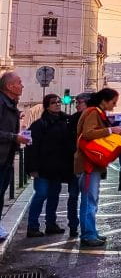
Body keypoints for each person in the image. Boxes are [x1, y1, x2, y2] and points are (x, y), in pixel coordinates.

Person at [75, 87, 121, 247]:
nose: (114, 105)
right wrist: (111, 130)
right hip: (88, 164)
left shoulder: (95, 112)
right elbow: (88, 133)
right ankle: (88, 234)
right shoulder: (93, 112)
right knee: (89, 200)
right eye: (113, 102)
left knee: (92, 199)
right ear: (104, 100)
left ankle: (91, 231)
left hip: (92, 164)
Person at [24, 95, 73, 237]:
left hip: (57, 168)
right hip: (42, 169)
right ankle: (32, 226)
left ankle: (51, 224)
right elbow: (31, 147)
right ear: (47, 106)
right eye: (53, 103)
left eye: (59, 102)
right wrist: (32, 169)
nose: (57, 104)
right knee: (41, 194)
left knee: (54, 196)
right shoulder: (39, 125)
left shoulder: (65, 122)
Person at [0, 73, 29, 240]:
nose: (22, 86)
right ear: (10, 87)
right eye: (19, 83)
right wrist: (14, 137)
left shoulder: (10, 104)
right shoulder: (2, 103)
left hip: (6, 158)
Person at [63, 93, 91, 238]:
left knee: (89, 198)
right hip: (75, 164)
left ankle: (88, 229)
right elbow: (67, 142)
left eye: (80, 102)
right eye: (77, 103)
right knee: (74, 196)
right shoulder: (72, 120)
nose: (77, 105)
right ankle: (73, 225)